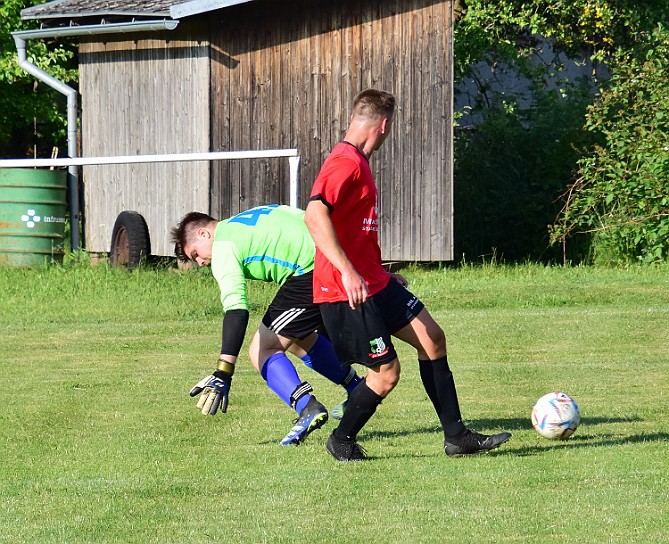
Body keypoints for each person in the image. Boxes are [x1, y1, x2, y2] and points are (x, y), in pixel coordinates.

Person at [304, 89, 512, 461]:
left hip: (374, 282)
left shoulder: (358, 161)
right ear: (384, 125)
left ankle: (457, 437)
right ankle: (341, 439)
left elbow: (351, 231)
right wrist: (349, 273)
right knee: (386, 374)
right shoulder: (344, 163)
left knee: (432, 338)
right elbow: (314, 215)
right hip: (345, 290)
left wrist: (378, 271)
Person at [171, 204, 362, 446]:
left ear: (204, 234)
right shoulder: (251, 215)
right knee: (294, 337)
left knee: (262, 349)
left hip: (311, 272)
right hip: (333, 256)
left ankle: (307, 408)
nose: (199, 263)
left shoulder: (223, 245)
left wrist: (223, 371)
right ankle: (356, 387)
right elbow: (306, 218)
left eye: (195, 254)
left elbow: (237, 310)